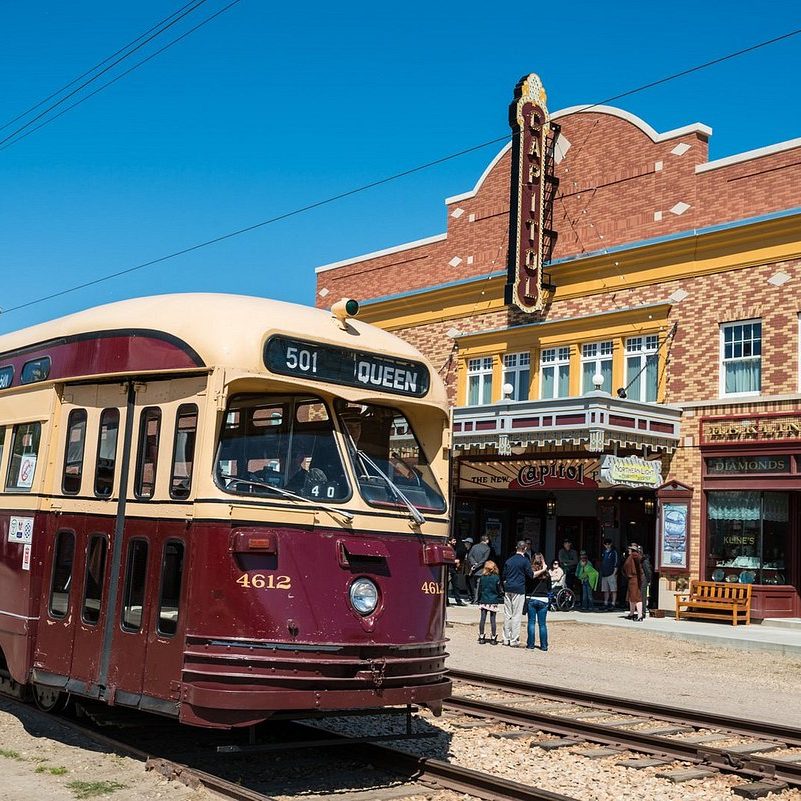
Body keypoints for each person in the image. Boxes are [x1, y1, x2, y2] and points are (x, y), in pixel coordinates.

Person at [501, 540, 533, 647]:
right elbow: (530, 575)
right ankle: (514, 639)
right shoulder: (525, 561)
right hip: (519, 588)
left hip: (508, 588)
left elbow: (504, 576)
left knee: (507, 614)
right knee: (516, 615)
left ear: (516, 548)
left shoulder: (509, 560)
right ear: (525, 549)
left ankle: (506, 638)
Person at [526, 553, 551, 651]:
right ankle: (544, 646)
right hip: (543, 599)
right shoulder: (547, 573)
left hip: (532, 598)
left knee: (531, 622)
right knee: (542, 624)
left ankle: (531, 644)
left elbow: (527, 584)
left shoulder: (530, 572)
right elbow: (549, 588)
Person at [476, 561, 503, 644]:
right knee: (493, 620)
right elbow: (499, 590)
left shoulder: (482, 577)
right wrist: (499, 597)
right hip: (493, 599)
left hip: (484, 599)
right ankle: (493, 637)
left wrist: (478, 599)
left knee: (482, 619)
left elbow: (480, 589)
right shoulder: (496, 577)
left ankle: (481, 636)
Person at [622, 543, 645, 621]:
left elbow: (640, 559)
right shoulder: (631, 556)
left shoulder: (634, 555)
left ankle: (639, 615)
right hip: (632, 578)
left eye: (629, 549)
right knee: (632, 597)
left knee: (636, 597)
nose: (628, 550)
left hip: (634, 578)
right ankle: (632, 613)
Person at [466, 535, 491, 603]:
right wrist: (477, 565)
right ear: (487, 540)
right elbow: (484, 559)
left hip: (473, 569)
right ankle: (477, 599)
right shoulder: (487, 548)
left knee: (474, 585)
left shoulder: (474, 546)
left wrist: (474, 564)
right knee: (480, 585)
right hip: (481, 569)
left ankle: (475, 598)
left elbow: (470, 556)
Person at [599, 538, 619, 611]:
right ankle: (605, 603)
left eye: (609, 544)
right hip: (604, 574)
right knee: (605, 590)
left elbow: (616, 563)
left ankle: (613, 604)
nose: (607, 545)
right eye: (606, 544)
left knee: (613, 589)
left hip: (611, 573)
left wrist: (614, 573)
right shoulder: (604, 552)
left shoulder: (614, 552)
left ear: (611, 544)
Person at [447, 536, 466, 606]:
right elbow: (446, 559)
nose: (455, 542)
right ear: (449, 541)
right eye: (453, 541)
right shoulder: (447, 548)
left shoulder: (453, 548)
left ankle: (458, 600)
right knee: (447, 585)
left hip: (453, 569)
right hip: (449, 568)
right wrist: (454, 561)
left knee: (456, 585)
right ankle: (446, 600)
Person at [641, 549, 654, 614]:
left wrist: (649, 580)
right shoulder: (642, 559)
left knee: (645, 595)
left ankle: (643, 609)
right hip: (642, 579)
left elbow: (648, 571)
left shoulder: (644, 560)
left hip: (644, 580)